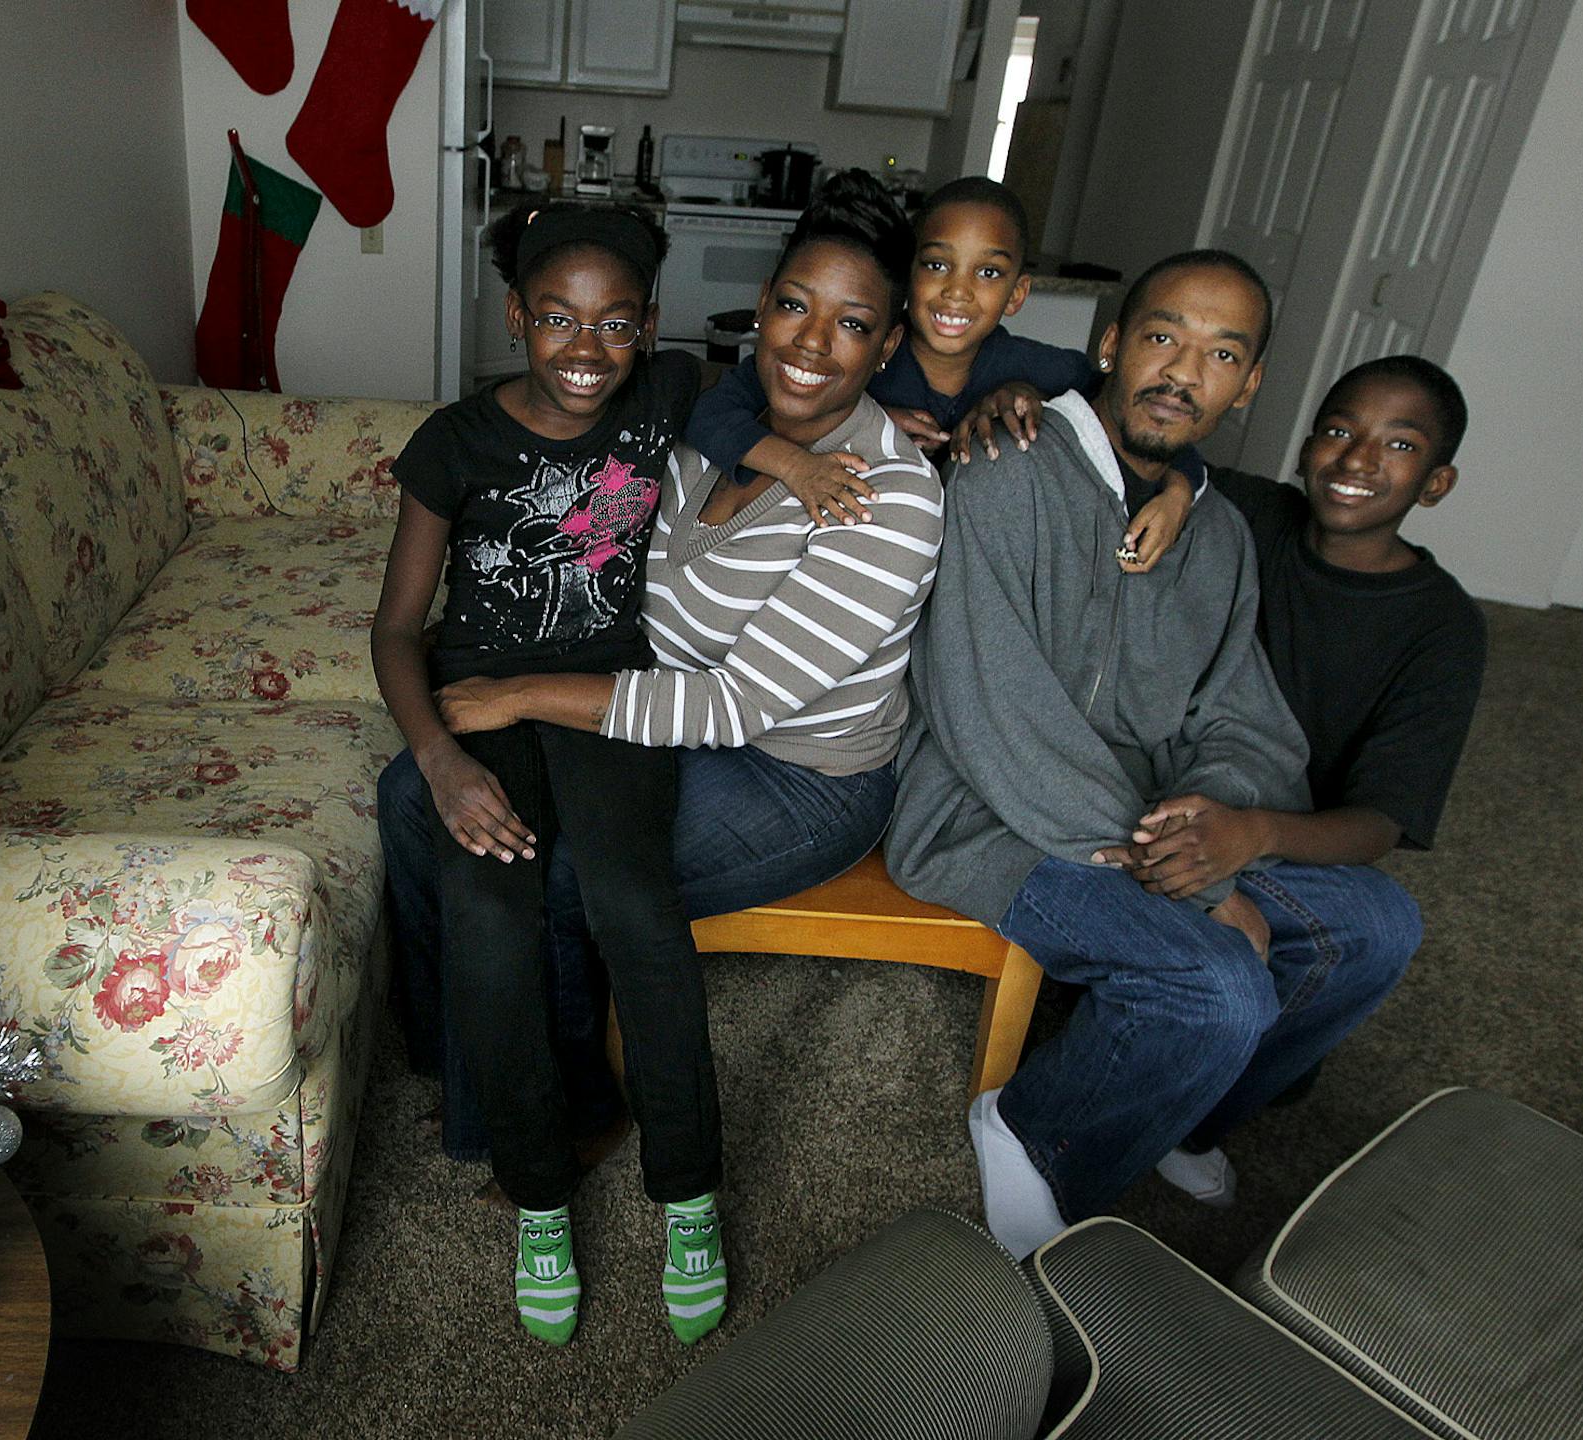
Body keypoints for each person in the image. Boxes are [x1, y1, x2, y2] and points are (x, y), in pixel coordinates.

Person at [378, 171, 941, 1297]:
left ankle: (581, 1113)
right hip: (653, 706)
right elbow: (702, 406)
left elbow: (731, 707)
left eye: (853, 326)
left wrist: (521, 695)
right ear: (757, 309)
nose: (812, 343)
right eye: (794, 307)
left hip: (791, 772)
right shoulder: (701, 405)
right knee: (409, 793)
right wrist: (453, 742)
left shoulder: (885, 498)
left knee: (567, 875)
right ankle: (470, 1065)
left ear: (886, 349)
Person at [885, 250, 1428, 1259]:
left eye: (1222, 354)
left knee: (1380, 926)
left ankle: (1188, 1107)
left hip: (1157, 816)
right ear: (1110, 344)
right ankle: (1037, 1133)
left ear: (1251, 382)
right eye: (1162, 336)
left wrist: (1216, 826)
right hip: (988, 816)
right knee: (1218, 982)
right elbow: (989, 704)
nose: (1184, 372)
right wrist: (1193, 883)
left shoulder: (1216, 532)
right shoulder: (1004, 469)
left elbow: (1243, 718)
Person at [370, 199, 718, 1347]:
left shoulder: (667, 395)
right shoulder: (455, 443)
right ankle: (537, 1198)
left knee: (633, 904)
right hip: (477, 698)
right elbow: (395, 629)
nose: (585, 349)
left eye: (616, 324)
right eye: (558, 319)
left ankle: (690, 1192)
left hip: (610, 695)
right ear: (516, 316)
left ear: (648, 330)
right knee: (487, 909)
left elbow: (777, 402)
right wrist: (441, 762)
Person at [1099, 355, 1485, 1157]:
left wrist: (1254, 836)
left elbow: (1382, 822)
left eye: (1399, 446)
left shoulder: (1443, 628)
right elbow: (1149, 434)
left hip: (1274, 836)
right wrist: (1180, 484)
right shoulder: (1249, 511)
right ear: (1308, 443)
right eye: (1339, 431)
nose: (1357, 461)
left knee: (1380, 927)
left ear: (1438, 484)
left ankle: (1196, 1118)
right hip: (1139, 788)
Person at [687, 176, 1194, 572]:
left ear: (1018, 294)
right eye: (936, 266)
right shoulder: (853, 353)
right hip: (861, 562)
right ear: (905, 277)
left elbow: (1143, 414)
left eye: (988, 273)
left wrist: (1178, 491)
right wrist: (816, 453)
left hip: (975, 576)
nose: (957, 292)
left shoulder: (1039, 368)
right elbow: (711, 413)